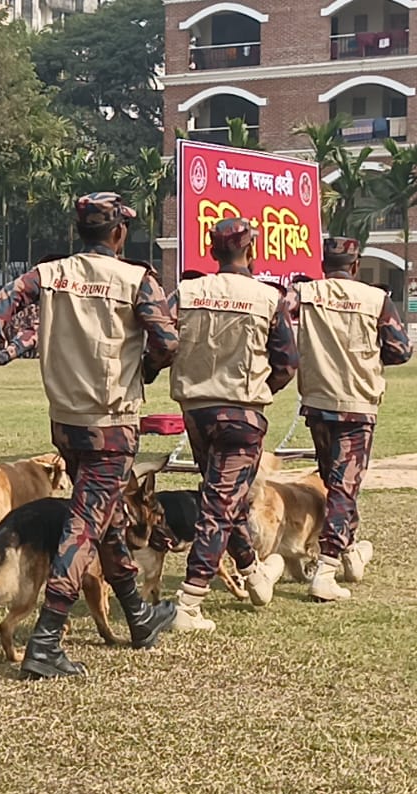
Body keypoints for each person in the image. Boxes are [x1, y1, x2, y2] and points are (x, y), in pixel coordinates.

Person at [0, 193, 178, 679]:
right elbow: (167, 342)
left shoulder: (50, 274)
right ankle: (45, 641)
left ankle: (140, 619)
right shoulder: (135, 280)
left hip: (67, 422)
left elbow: (0, 304)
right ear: (119, 232)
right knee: (83, 527)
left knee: (98, 520)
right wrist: (142, 370)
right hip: (112, 424)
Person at [167, 218, 300, 629]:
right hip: (242, 413)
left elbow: (162, 340)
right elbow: (287, 363)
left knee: (225, 495)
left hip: (197, 410)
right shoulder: (267, 298)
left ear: (212, 251)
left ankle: (253, 571)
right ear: (251, 250)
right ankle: (189, 601)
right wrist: (261, 391)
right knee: (219, 503)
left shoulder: (186, 292)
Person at [293, 237, 412, 601]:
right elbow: (400, 349)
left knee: (335, 481)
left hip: (317, 401)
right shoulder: (376, 299)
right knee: (346, 486)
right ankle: (326, 568)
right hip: (357, 405)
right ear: (356, 264)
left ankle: (349, 551)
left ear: (323, 264)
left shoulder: (304, 294)